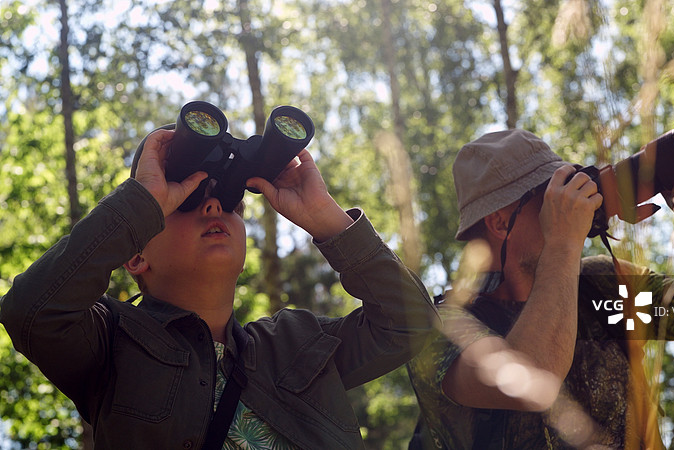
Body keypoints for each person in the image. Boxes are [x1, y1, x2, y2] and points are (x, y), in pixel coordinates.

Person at [0, 126, 436, 449]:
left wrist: (327, 220)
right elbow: (31, 311)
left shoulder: (295, 345)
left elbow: (411, 324)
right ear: (135, 255)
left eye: (228, 199)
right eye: (184, 201)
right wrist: (140, 202)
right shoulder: (110, 340)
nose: (212, 205)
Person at [406, 128, 674, 449]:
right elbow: (534, 375)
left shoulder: (602, 287)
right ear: (500, 221)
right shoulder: (443, 328)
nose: (573, 201)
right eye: (551, 195)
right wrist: (562, 243)